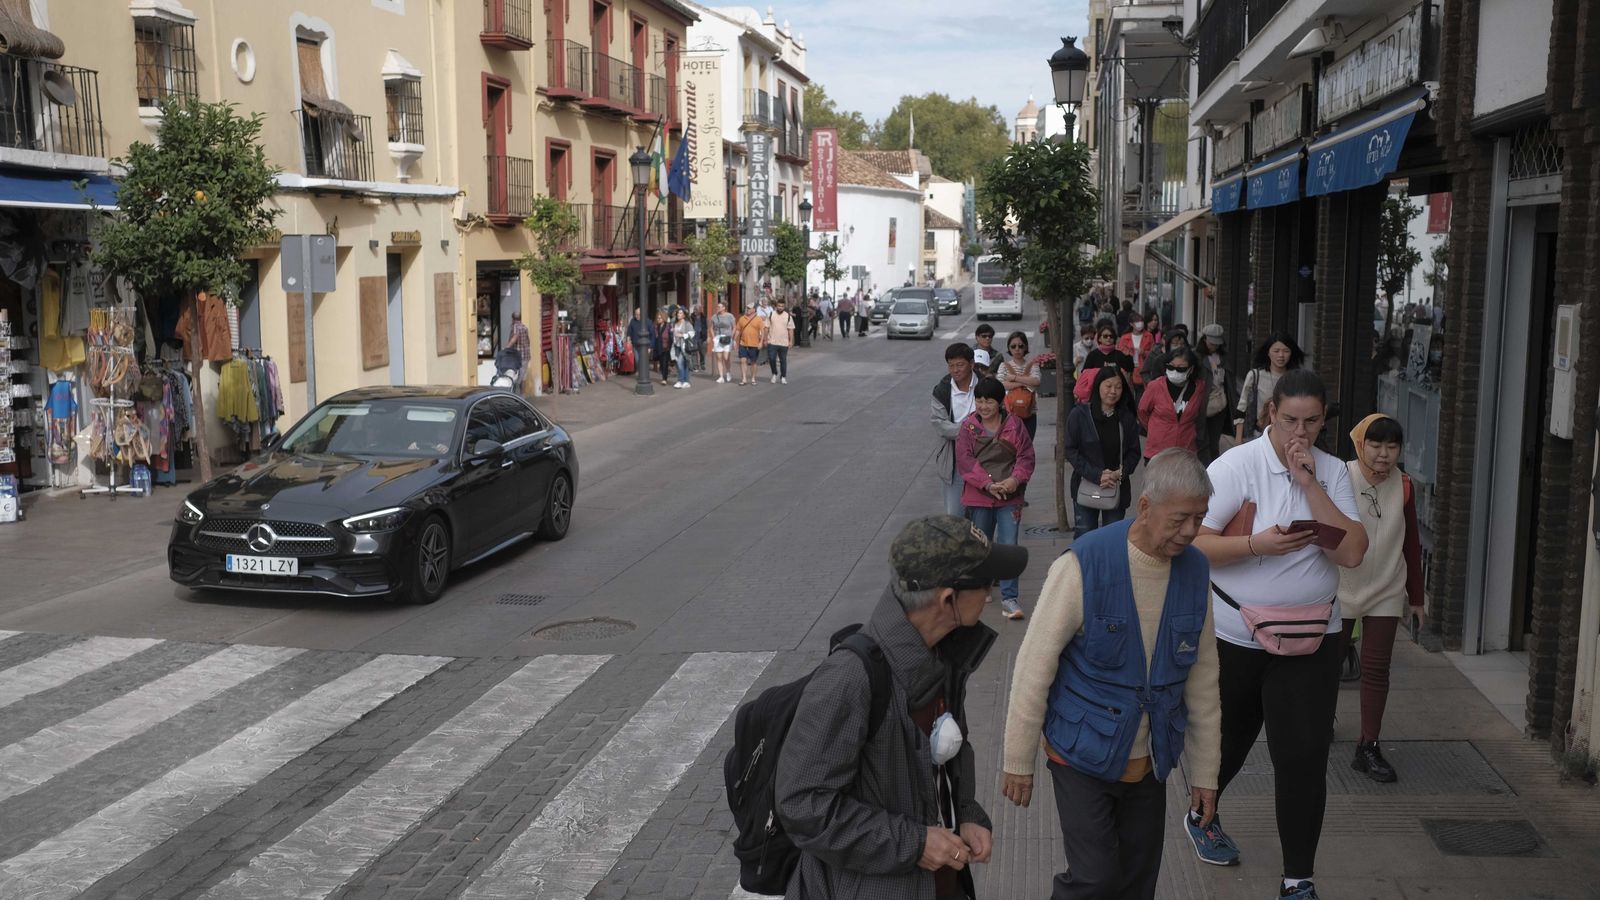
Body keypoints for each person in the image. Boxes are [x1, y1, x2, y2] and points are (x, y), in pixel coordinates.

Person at [1001, 448, 1222, 900]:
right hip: (1081, 753)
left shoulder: (1196, 571)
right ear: (1144, 507)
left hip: (1150, 759)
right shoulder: (1085, 563)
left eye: (1200, 519)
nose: (1191, 531)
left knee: (1137, 884)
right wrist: (1017, 760)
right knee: (1094, 880)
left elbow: (1202, 681)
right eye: (1180, 518)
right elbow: (1034, 663)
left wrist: (1205, 774)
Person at [1189, 369, 1368, 900]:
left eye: (1312, 421)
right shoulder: (1237, 467)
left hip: (1312, 640)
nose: (1300, 431)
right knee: (1225, 748)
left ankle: (1298, 879)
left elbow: (1352, 552)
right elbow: (1192, 542)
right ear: (1270, 414)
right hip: (1235, 636)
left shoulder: (1333, 472)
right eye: (1290, 419)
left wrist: (1309, 484)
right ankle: (1202, 816)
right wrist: (1255, 547)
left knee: (1303, 758)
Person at [776, 514, 1020, 900]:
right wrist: (915, 843)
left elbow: (947, 753)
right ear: (947, 599)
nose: (990, 593)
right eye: (985, 583)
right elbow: (802, 804)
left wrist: (966, 813)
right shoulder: (849, 679)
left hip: (938, 883)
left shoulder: (942, 654)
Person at [1337, 414, 1425, 784]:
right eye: (1375, 445)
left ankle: (1368, 746)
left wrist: (1416, 598)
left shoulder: (1404, 485)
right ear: (1360, 444)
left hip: (1387, 586)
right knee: (1325, 668)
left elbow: (1411, 541)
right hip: (1339, 585)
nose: (1384, 454)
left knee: (1375, 670)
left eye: (1392, 446)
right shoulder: (1341, 476)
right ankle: (1316, 725)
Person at [955, 377, 1035, 620]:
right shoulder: (968, 428)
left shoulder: (1015, 425)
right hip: (979, 496)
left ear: (1000, 402)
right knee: (982, 544)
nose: (983, 406)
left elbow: (1026, 457)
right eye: (979, 400)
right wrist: (988, 484)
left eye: (988, 401)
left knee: (1009, 545)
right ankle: (982, 586)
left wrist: (1013, 481)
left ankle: (1010, 598)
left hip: (1010, 496)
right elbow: (965, 461)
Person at [1064, 365, 1142, 538]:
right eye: (1108, 386)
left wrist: (1120, 473)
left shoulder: (1126, 418)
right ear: (1098, 386)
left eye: (1118, 386)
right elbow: (1070, 450)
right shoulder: (1080, 415)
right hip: (1086, 484)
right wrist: (1097, 475)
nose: (1113, 391)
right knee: (1085, 536)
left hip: (1116, 486)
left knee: (1112, 537)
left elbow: (1134, 452)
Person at [932, 343, 978, 517]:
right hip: (955, 459)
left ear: (971, 364)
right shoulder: (942, 390)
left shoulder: (984, 385)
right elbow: (939, 424)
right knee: (955, 516)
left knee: (981, 518)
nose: (955, 370)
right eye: (951, 365)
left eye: (960, 365)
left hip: (983, 457)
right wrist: (970, 429)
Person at [1235, 332, 1306, 444]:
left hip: (1289, 435)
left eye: (1286, 351)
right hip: (1259, 435)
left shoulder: (1297, 378)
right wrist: (1238, 440)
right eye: (1276, 351)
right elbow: (1241, 409)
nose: (1281, 355)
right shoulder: (1255, 376)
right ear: (1268, 352)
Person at [1138, 346, 1207, 460]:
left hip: (1185, 451)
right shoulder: (1155, 386)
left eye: (1181, 368)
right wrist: (1155, 429)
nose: (1175, 371)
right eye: (1171, 367)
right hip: (1157, 451)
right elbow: (1142, 411)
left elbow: (1199, 415)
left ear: (1191, 369)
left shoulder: (1199, 388)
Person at [1196, 324, 1237, 462]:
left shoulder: (1225, 358)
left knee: (1214, 441)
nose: (1214, 346)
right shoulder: (1197, 357)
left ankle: (1212, 470)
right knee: (1201, 440)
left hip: (1221, 404)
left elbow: (1230, 382)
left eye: (1216, 343)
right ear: (1204, 339)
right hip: (1201, 404)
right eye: (1211, 342)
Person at [997, 331, 1042, 442]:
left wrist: (1014, 378)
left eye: (1020, 346)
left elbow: (1036, 381)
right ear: (1009, 348)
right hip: (1009, 414)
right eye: (1013, 346)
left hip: (1030, 413)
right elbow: (1001, 385)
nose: (1017, 349)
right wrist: (1024, 383)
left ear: (1025, 347)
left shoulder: (1033, 365)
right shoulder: (1004, 365)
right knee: (1011, 446)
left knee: (1027, 445)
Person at [1117, 310, 1157, 392]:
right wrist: (1126, 354)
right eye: (1137, 321)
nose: (1140, 323)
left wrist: (1143, 352)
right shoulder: (1125, 337)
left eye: (1141, 321)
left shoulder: (1148, 336)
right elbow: (1119, 353)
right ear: (1131, 324)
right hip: (1127, 370)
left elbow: (1153, 354)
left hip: (1143, 369)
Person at [768, 298, 796, 384]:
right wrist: (765, 339)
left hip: (784, 342)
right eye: (779, 306)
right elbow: (766, 327)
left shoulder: (788, 316)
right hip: (772, 341)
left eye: (782, 306)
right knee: (772, 358)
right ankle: (774, 373)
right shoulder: (771, 314)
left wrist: (791, 341)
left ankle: (783, 376)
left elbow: (791, 329)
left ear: (784, 307)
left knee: (783, 360)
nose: (780, 307)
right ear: (776, 306)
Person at [736, 304, 765, 386]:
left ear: (754, 310)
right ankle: (744, 378)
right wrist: (734, 340)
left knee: (753, 362)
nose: (747, 309)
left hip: (754, 344)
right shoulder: (742, 318)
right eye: (747, 308)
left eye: (749, 308)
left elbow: (762, 332)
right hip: (743, 343)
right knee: (743, 361)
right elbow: (738, 330)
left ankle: (753, 378)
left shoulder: (758, 319)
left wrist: (761, 342)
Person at [504, 310, 531, 393]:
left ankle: (515, 395)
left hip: (517, 356)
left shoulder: (515, 326)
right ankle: (522, 397)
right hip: (526, 356)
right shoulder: (525, 327)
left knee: (516, 376)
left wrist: (507, 348)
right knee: (523, 377)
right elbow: (528, 341)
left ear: (513, 319)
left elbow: (515, 338)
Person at [670, 307, 696, 389]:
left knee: (680, 363)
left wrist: (682, 335)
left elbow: (692, 333)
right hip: (676, 346)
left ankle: (680, 380)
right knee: (683, 364)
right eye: (678, 313)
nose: (678, 314)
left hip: (684, 346)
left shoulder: (687, 323)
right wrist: (672, 331)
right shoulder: (675, 323)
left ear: (684, 315)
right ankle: (686, 381)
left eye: (681, 313)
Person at [710, 301, 735, 383]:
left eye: (719, 307)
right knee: (719, 358)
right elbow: (711, 328)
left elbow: (734, 327)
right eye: (717, 307)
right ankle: (721, 376)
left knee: (726, 357)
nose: (718, 308)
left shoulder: (730, 316)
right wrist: (714, 338)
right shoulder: (714, 316)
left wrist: (732, 336)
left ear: (724, 307)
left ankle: (728, 372)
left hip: (727, 337)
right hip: (718, 338)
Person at [625, 307, 652, 379]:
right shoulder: (633, 321)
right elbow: (629, 331)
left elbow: (652, 334)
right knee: (637, 360)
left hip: (645, 346)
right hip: (636, 345)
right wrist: (628, 338)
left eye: (639, 314)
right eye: (636, 314)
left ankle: (644, 375)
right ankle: (641, 373)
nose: (637, 316)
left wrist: (650, 347)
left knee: (644, 360)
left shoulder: (648, 321)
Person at [652, 309, 672, 386]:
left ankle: (664, 379)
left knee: (665, 363)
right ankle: (664, 373)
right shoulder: (656, 326)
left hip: (666, 347)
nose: (658, 319)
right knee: (661, 363)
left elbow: (671, 336)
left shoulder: (668, 326)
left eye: (660, 318)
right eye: (657, 318)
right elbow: (655, 337)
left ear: (663, 318)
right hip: (659, 347)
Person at [692, 306, 708, 372]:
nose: (695, 311)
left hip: (702, 337)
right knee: (694, 352)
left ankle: (702, 364)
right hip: (694, 337)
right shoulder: (691, 317)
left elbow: (707, 327)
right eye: (694, 309)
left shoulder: (704, 317)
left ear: (700, 310)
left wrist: (707, 336)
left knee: (702, 352)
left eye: (696, 309)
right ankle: (695, 366)